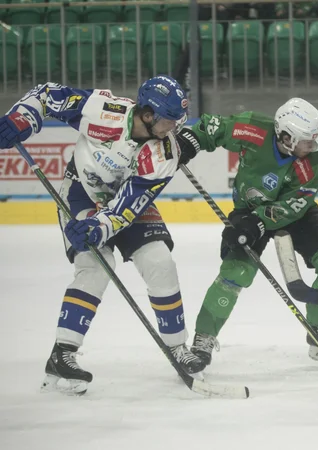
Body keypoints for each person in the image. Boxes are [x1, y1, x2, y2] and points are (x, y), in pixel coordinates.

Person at [0, 75, 205, 395]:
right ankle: (62, 354)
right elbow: (46, 95)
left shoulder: (166, 153)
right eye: (168, 121)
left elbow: (129, 205)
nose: (173, 129)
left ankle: (177, 348)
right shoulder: (102, 110)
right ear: (148, 114)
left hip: (124, 200)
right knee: (95, 263)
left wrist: (101, 226)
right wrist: (23, 117)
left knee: (161, 262)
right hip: (81, 192)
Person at [178, 99, 318, 370]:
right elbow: (213, 128)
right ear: (286, 137)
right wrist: (189, 141)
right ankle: (204, 338)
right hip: (247, 211)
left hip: (296, 213)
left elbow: (295, 205)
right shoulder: (254, 128)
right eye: (308, 141)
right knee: (235, 273)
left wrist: (260, 222)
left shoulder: (315, 164)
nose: (314, 147)